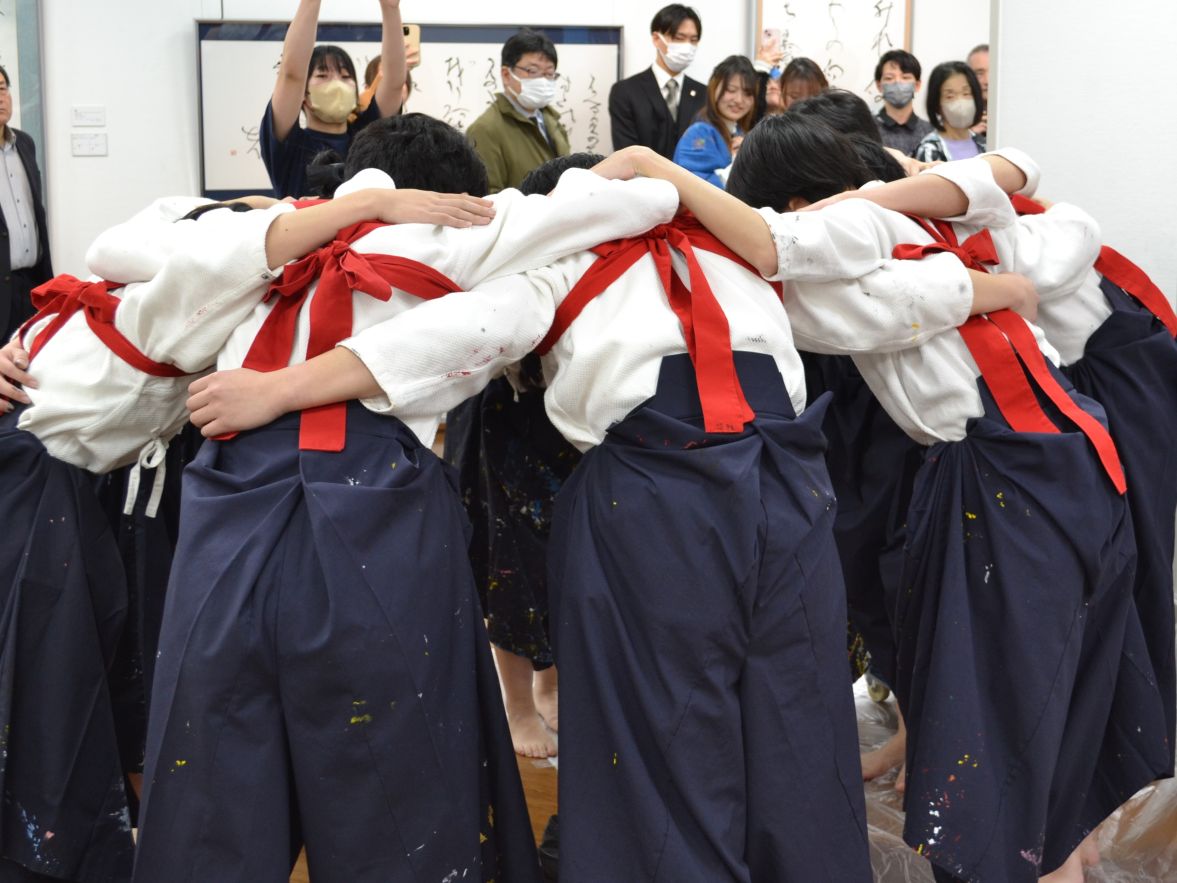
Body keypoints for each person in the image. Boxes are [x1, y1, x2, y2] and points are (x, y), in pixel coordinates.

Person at [594, 121, 1171, 883]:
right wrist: (975, 281)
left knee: (1005, 694)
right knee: (1050, 674)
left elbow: (773, 247)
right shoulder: (955, 227)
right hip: (1076, 456)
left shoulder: (850, 232)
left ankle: (1047, 855)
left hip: (1013, 475)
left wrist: (649, 164)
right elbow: (1021, 196)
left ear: (798, 202)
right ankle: (1061, 845)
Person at [113, 113, 678, 883]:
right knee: (392, 765)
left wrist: (319, 211)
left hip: (228, 500)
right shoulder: (463, 234)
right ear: (454, 197)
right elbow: (636, 207)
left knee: (212, 760)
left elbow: (116, 255)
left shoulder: (271, 241)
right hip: (371, 504)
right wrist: (611, 168)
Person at [260, 0, 406, 198]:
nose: (337, 84)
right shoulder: (289, 143)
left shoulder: (368, 136)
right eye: (322, 75)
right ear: (303, 94)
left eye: (345, 76)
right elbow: (291, 74)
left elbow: (394, 83)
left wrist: (391, 9)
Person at [467, 29, 570, 194]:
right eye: (532, 71)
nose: (543, 81)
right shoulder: (484, 130)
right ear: (506, 74)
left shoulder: (551, 120)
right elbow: (488, 198)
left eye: (549, 73)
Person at [608, 4, 706, 157]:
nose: (687, 46)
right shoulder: (626, 91)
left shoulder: (705, 94)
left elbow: (706, 147)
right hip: (640, 173)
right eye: (679, 38)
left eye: (693, 40)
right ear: (656, 38)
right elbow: (627, 153)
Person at [0, 64, 51, 342]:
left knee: (34, 358)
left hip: (32, 284)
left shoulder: (25, 144)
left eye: (2, 89)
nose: (0, 98)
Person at [672, 55, 756, 187]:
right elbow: (692, 185)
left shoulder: (740, 133)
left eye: (748, 93)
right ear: (714, 87)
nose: (739, 100)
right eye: (731, 90)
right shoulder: (699, 135)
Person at [914, 60, 986, 162]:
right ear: (937, 104)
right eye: (950, 96)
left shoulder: (984, 144)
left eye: (966, 93)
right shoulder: (930, 150)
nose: (960, 102)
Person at [872, 49, 933, 156]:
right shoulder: (867, 128)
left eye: (905, 77)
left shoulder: (930, 132)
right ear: (879, 85)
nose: (898, 82)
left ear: (917, 85)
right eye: (889, 78)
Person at [968, 42, 990, 135]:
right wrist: (969, 134)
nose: (987, 81)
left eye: (993, 72)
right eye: (979, 73)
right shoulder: (954, 119)